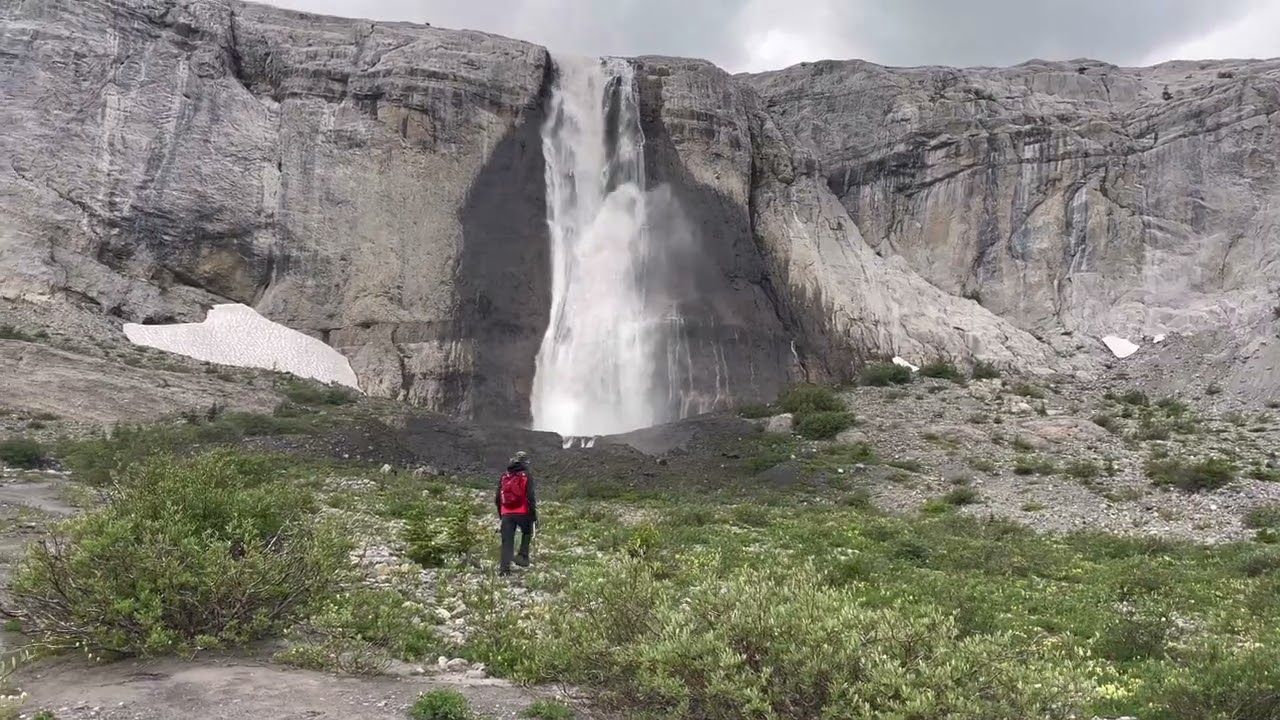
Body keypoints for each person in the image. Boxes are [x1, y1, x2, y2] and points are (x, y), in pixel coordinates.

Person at [495, 450, 537, 575]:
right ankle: (523, 556)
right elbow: (530, 496)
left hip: (506, 513)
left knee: (507, 541)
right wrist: (533, 516)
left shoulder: (505, 475)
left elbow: (497, 497)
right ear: (525, 462)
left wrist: (501, 515)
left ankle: (504, 570)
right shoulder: (526, 475)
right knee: (527, 531)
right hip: (522, 512)